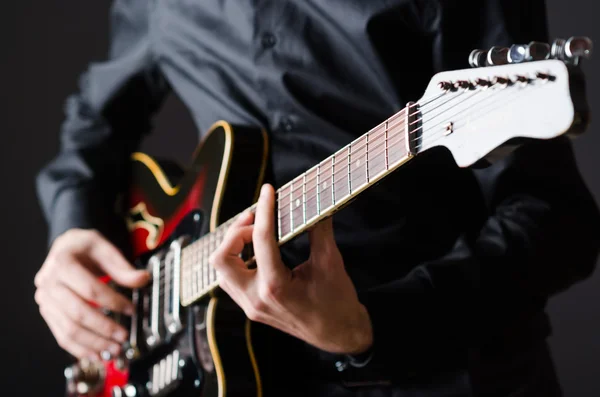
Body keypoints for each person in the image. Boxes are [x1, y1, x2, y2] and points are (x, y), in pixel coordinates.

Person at [34, 0, 600, 396]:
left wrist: (370, 327)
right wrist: (70, 231)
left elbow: (556, 222)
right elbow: (93, 123)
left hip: (451, 371)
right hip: (237, 367)